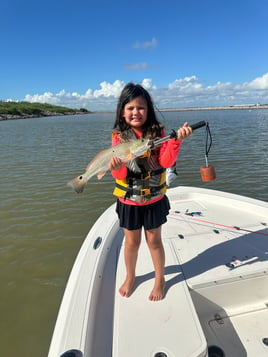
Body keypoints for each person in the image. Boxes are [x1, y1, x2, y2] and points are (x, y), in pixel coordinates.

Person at [108, 83, 192, 301]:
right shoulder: (119, 136)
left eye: (141, 107)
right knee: (131, 243)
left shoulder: (158, 132)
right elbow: (120, 175)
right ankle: (130, 276)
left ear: (149, 110)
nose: (136, 112)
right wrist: (116, 168)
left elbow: (165, 161)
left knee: (154, 242)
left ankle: (160, 278)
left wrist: (176, 142)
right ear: (122, 111)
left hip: (154, 198)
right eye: (130, 108)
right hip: (129, 201)